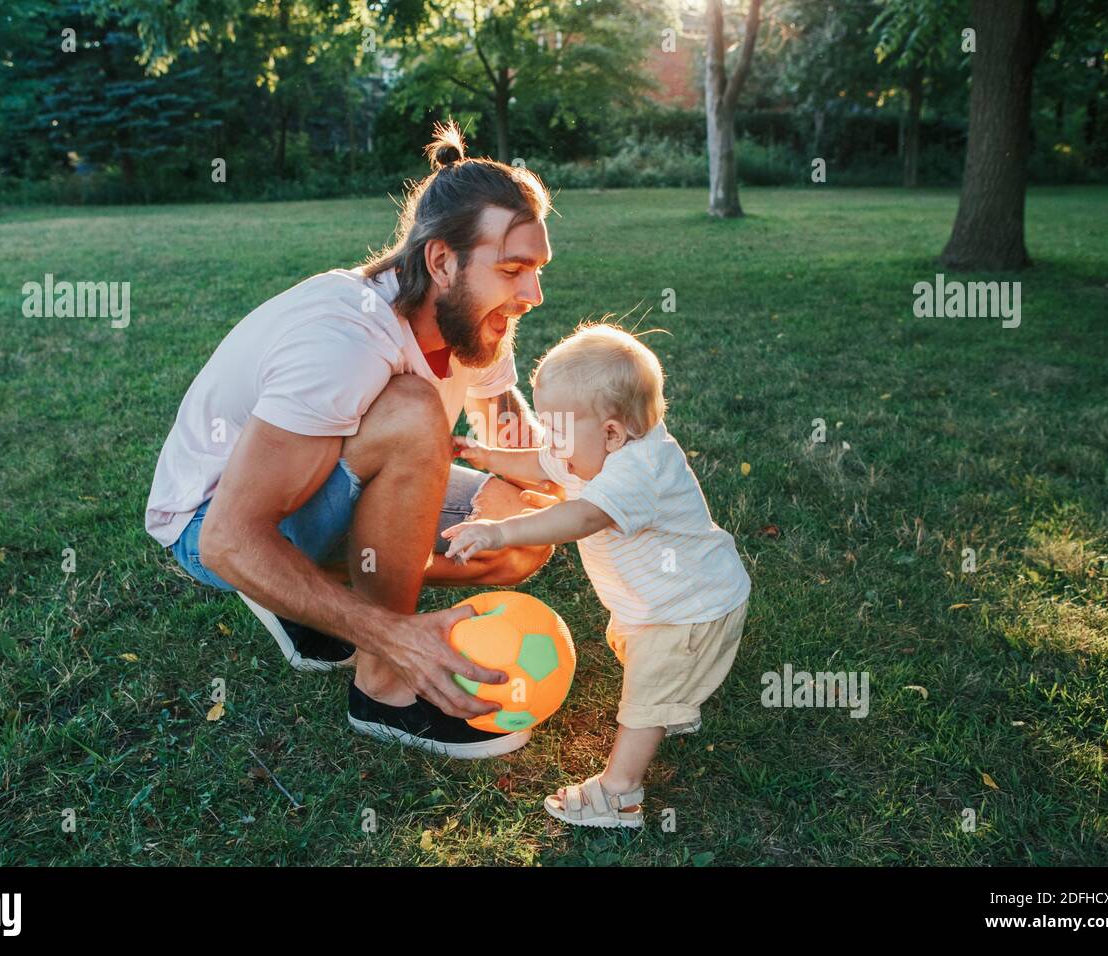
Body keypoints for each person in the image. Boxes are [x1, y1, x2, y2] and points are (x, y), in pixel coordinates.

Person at [145, 121, 559, 758]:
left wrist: (597, 491)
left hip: (313, 499)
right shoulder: (344, 340)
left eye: (535, 270)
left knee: (524, 532)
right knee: (414, 412)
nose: (532, 295)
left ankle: (302, 600)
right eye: (512, 270)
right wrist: (397, 635)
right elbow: (230, 538)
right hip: (214, 526)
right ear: (442, 260)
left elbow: (521, 445)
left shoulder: (475, 322)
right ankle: (382, 688)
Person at [444, 323, 751, 823]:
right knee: (640, 661)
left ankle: (619, 793)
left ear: (612, 432)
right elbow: (542, 463)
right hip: (652, 604)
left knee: (644, 701)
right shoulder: (584, 447)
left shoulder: (640, 467)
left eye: (556, 428)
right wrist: (487, 456)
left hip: (690, 610)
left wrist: (502, 532)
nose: (550, 440)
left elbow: (584, 516)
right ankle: (671, 700)